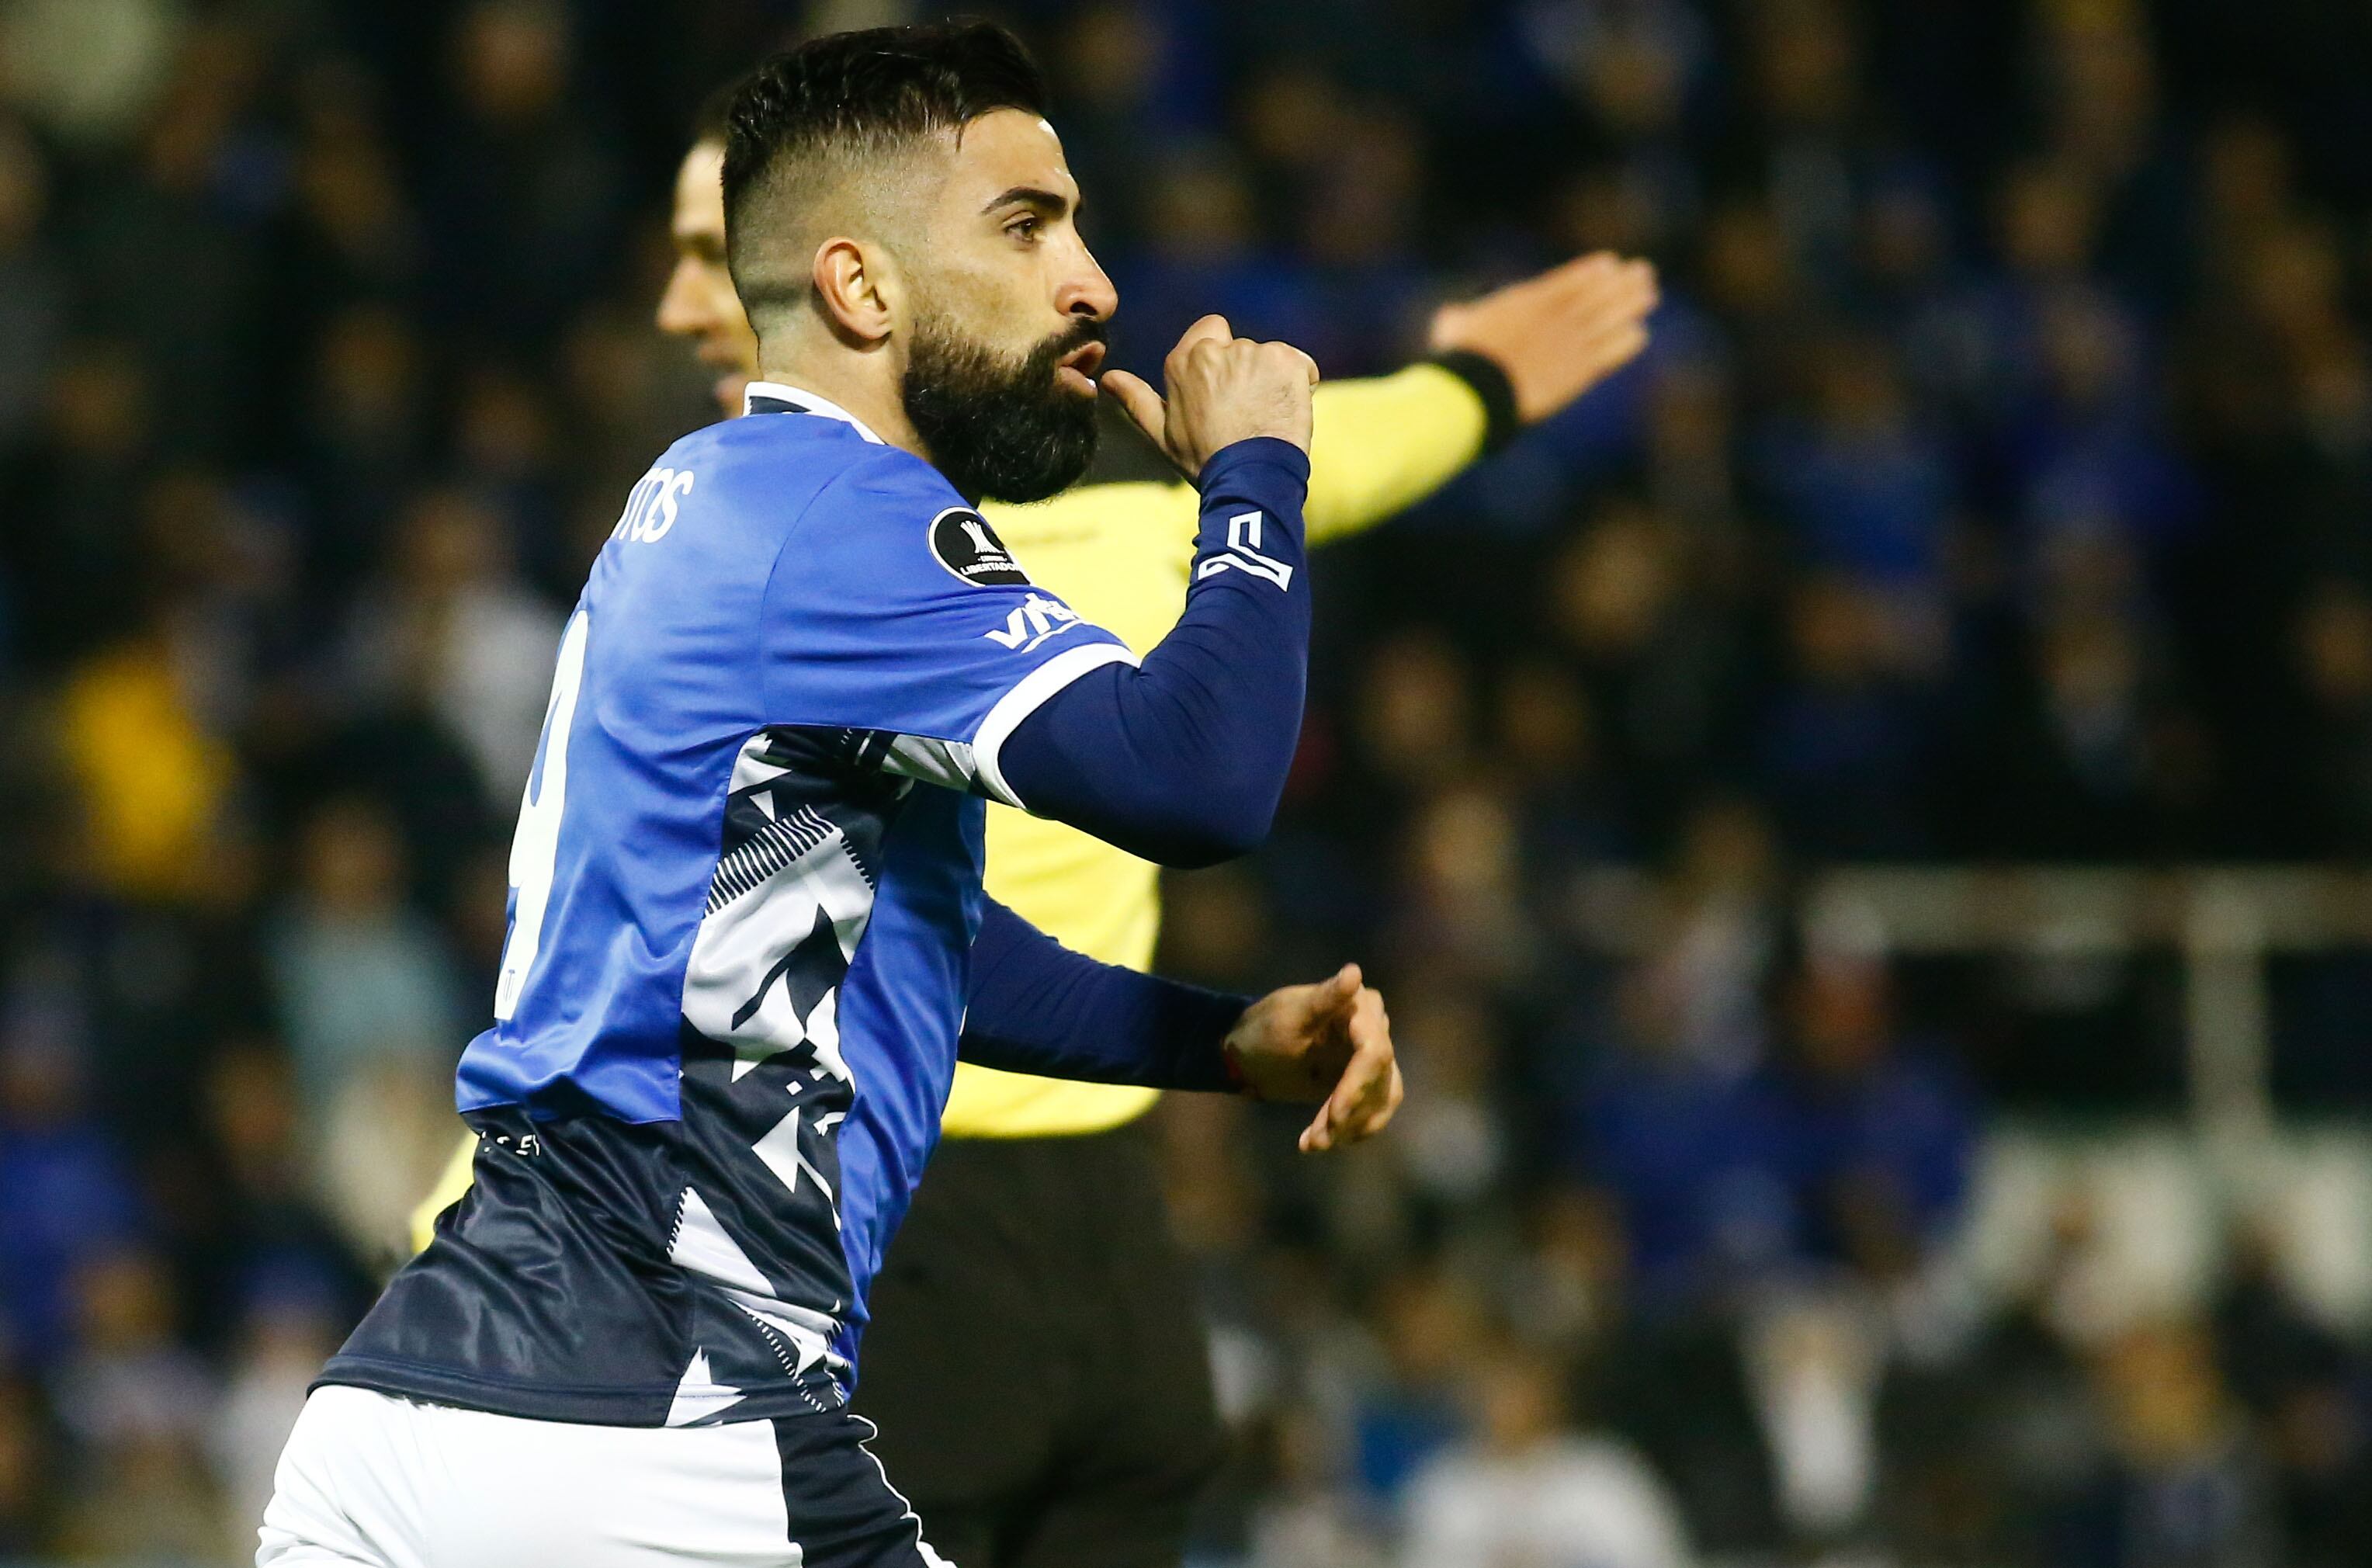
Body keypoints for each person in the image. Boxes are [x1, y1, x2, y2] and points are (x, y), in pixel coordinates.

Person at [402, 57, 1659, 1568]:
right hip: (1038, 1250)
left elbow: (829, 925)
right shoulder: (1048, 527)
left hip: (943, 1222)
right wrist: (1464, 389)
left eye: (704, 259)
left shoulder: (781, 556)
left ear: (837, 277)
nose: (684, 305)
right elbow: (1330, 462)